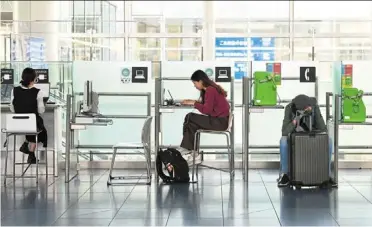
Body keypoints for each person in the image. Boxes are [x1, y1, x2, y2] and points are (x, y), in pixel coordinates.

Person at [277, 94, 334, 187]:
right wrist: (294, 122)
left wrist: (312, 115)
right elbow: (284, 131)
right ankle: (285, 175)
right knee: (283, 142)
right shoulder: (289, 108)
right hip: (295, 135)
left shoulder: (314, 106)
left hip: (311, 135)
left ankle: (326, 175)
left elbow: (323, 129)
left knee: (329, 141)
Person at [178, 70, 230, 166]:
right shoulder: (212, 88)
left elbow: (207, 110)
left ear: (201, 81)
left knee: (190, 117)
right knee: (192, 124)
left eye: (195, 83)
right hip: (220, 120)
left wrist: (194, 103)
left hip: (220, 122)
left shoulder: (210, 90)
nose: (194, 86)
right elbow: (207, 105)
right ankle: (194, 154)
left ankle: (188, 149)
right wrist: (193, 101)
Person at [10, 67, 48, 164]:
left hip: (17, 125)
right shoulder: (38, 92)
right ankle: (30, 153)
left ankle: (28, 149)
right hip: (32, 125)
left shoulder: (14, 90)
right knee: (41, 131)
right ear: (34, 79)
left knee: (34, 127)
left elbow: (12, 108)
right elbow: (41, 110)